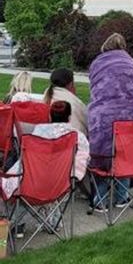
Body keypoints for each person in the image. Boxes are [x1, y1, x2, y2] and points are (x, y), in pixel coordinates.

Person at [2, 101, 90, 237]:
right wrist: (73, 177)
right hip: (61, 185)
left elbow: (24, 163)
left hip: (33, 185)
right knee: (32, 188)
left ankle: (14, 225)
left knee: (14, 186)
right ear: (69, 117)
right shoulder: (77, 136)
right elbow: (82, 161)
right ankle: (51, 222)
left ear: (50, 116)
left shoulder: (37, 132)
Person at [88, 33, 133, 210]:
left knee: (102, 156)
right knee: (124, 154)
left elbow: (94, 86)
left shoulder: (97, 63)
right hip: (129, 115)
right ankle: (122, 197)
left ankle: (101, 200)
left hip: (102, 115)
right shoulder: (132, 63)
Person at [44, 68, 88, 135]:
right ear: (71, 84)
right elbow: (88, 122)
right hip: (73, 138)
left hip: (51, 136)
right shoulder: (75, 102)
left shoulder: (47, 94)